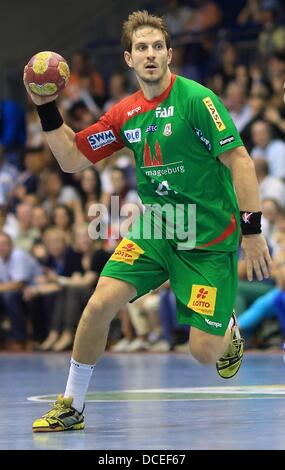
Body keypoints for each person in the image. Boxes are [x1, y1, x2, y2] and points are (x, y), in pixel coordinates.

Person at [24, 10, 271, 433]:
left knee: (203, 353)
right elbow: (71, 159)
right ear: (128, 58)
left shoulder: (197, 100)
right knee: (100, 301)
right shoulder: (125, 114)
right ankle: (72, 405)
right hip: (157, 229)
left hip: (208, 240)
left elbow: (241, 161)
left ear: (170, 54)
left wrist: (252, 231)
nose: (150, 54)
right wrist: (47, 108)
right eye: (142, 48)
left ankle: (226, 328)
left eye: (157, 46)